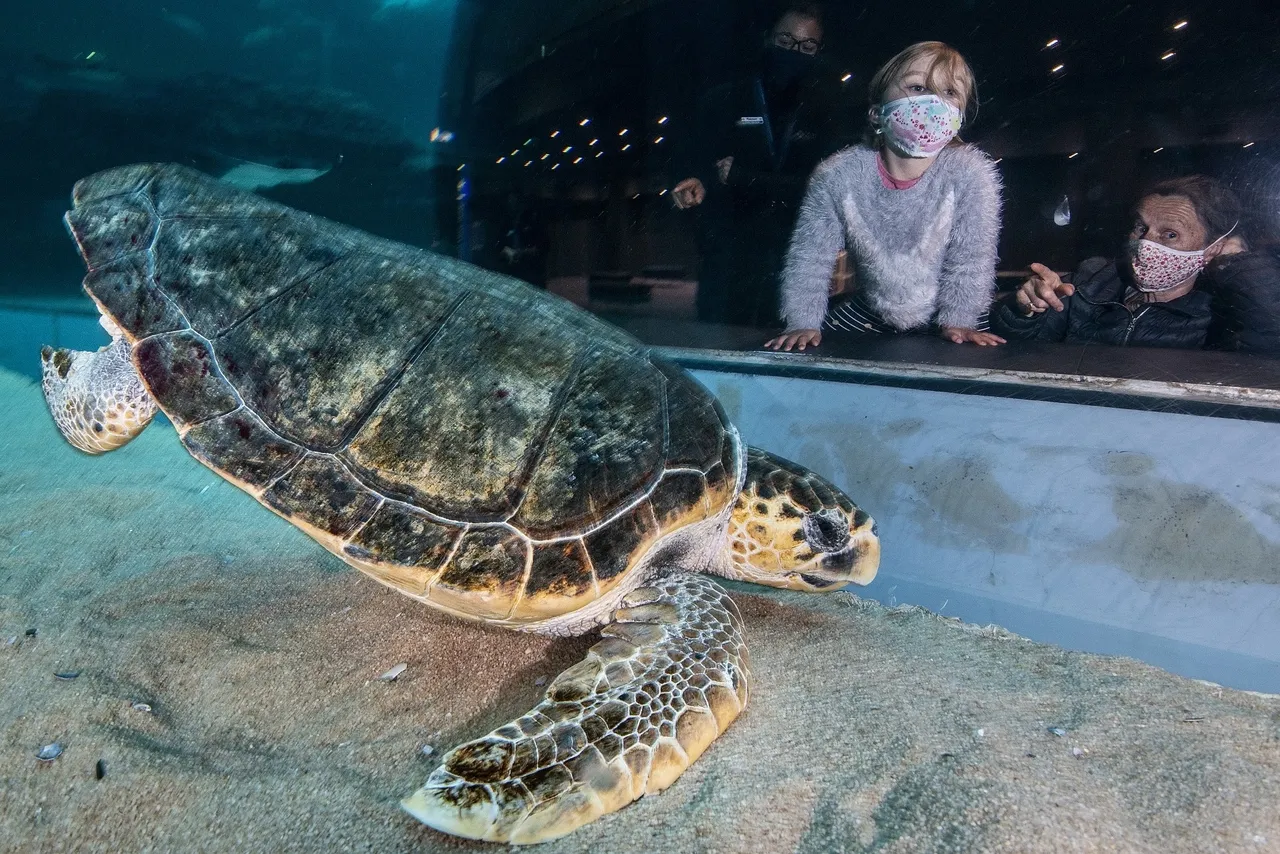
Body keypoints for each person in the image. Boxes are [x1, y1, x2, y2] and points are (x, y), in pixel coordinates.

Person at [765, 41, 1004, 351]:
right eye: (918, 87)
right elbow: (810, 257)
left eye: (950, 92)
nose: (934, 102)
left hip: (951, 317)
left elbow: (971, 259)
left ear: (959, 116)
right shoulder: (837, 175)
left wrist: (960, 319)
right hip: (870, 312)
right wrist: (802, 322)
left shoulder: (971, 173)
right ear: (877, 113)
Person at [671, 3, 857, 328]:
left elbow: (820, 185)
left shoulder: (827, 110)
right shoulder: (726, 98)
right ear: (767, 38)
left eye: (807, 47)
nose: (794, 52)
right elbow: (699, 163)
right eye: (785, 41)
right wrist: (693, 181)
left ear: (819, 51)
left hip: (795, 261)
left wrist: (743, 177)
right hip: (730, 262)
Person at [989, 175, 1280, 351]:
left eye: (1170, 234)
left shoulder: (1220, 309)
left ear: (1213, 248)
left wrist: (1240, 262)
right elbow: (1020, 350)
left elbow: (1269, 341)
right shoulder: (1091, 282)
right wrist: (1026, 309)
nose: (1145, 242)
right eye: (1141, 227)